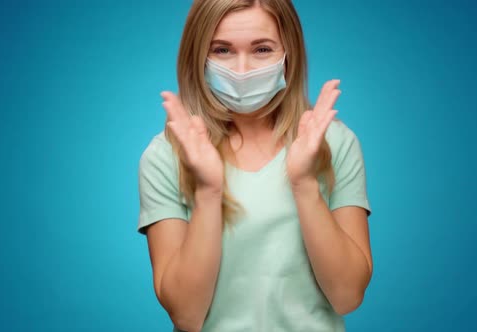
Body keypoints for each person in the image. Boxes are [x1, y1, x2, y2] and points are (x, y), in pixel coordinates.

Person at [137, 1, 373, 331]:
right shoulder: (165, 156)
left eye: (262, 49)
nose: (243, 70)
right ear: (197, 55)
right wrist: (208, 192)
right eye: (222, 50)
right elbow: (186, 315)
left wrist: (305, 185)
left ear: (289, 52)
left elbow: (347, 296)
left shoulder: (334, 143)